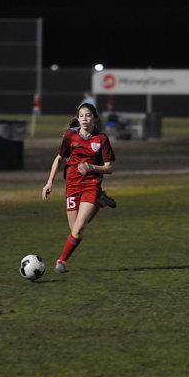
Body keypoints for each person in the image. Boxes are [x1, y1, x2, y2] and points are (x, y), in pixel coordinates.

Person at [42, 102, 115, 273]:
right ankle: (100, 202)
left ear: (95, 118)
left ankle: (61, 261)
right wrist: (49, 182)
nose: (84, 119)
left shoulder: (101, 139)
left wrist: (91, 167)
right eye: (81, 116)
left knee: (80, 226)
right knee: (76, 230)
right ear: (77, 118)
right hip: (72, 186)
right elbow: (59, 158)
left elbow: (109, 168)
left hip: (91, 184)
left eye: (88, 115)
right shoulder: (70, 135)